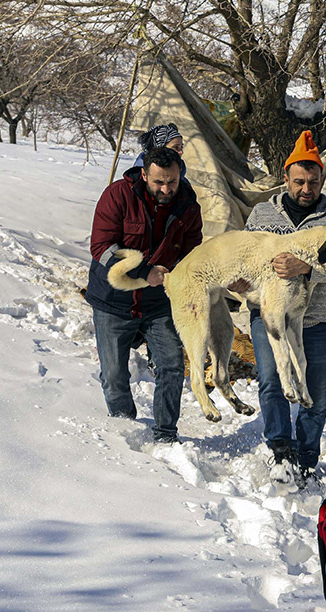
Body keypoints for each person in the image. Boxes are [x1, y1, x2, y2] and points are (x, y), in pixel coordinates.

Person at [238, 130, 326, 486]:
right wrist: (239, 280)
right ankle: (280, 451)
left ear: (321, 180)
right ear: (285, 179)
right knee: (272, 381)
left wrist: (307, 268)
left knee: (315, 389)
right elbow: (245, 257)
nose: (307, 189)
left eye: (313, 182)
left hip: (315, 318)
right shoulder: (261, 214)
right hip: (268, 313)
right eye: (299, 181)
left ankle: (306, 456)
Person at [86, 147, 202, 443]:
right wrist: (144, 271)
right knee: (113, 376)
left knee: (172, 365)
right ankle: (125, 429)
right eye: (159, 182)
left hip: (159, 303)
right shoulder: (117, 195)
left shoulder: (188, 205)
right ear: (144, 174)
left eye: (172, 182)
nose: (166, 189)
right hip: (114, 300)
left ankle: (165, 433)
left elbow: (194, 253)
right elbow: (102, 247)